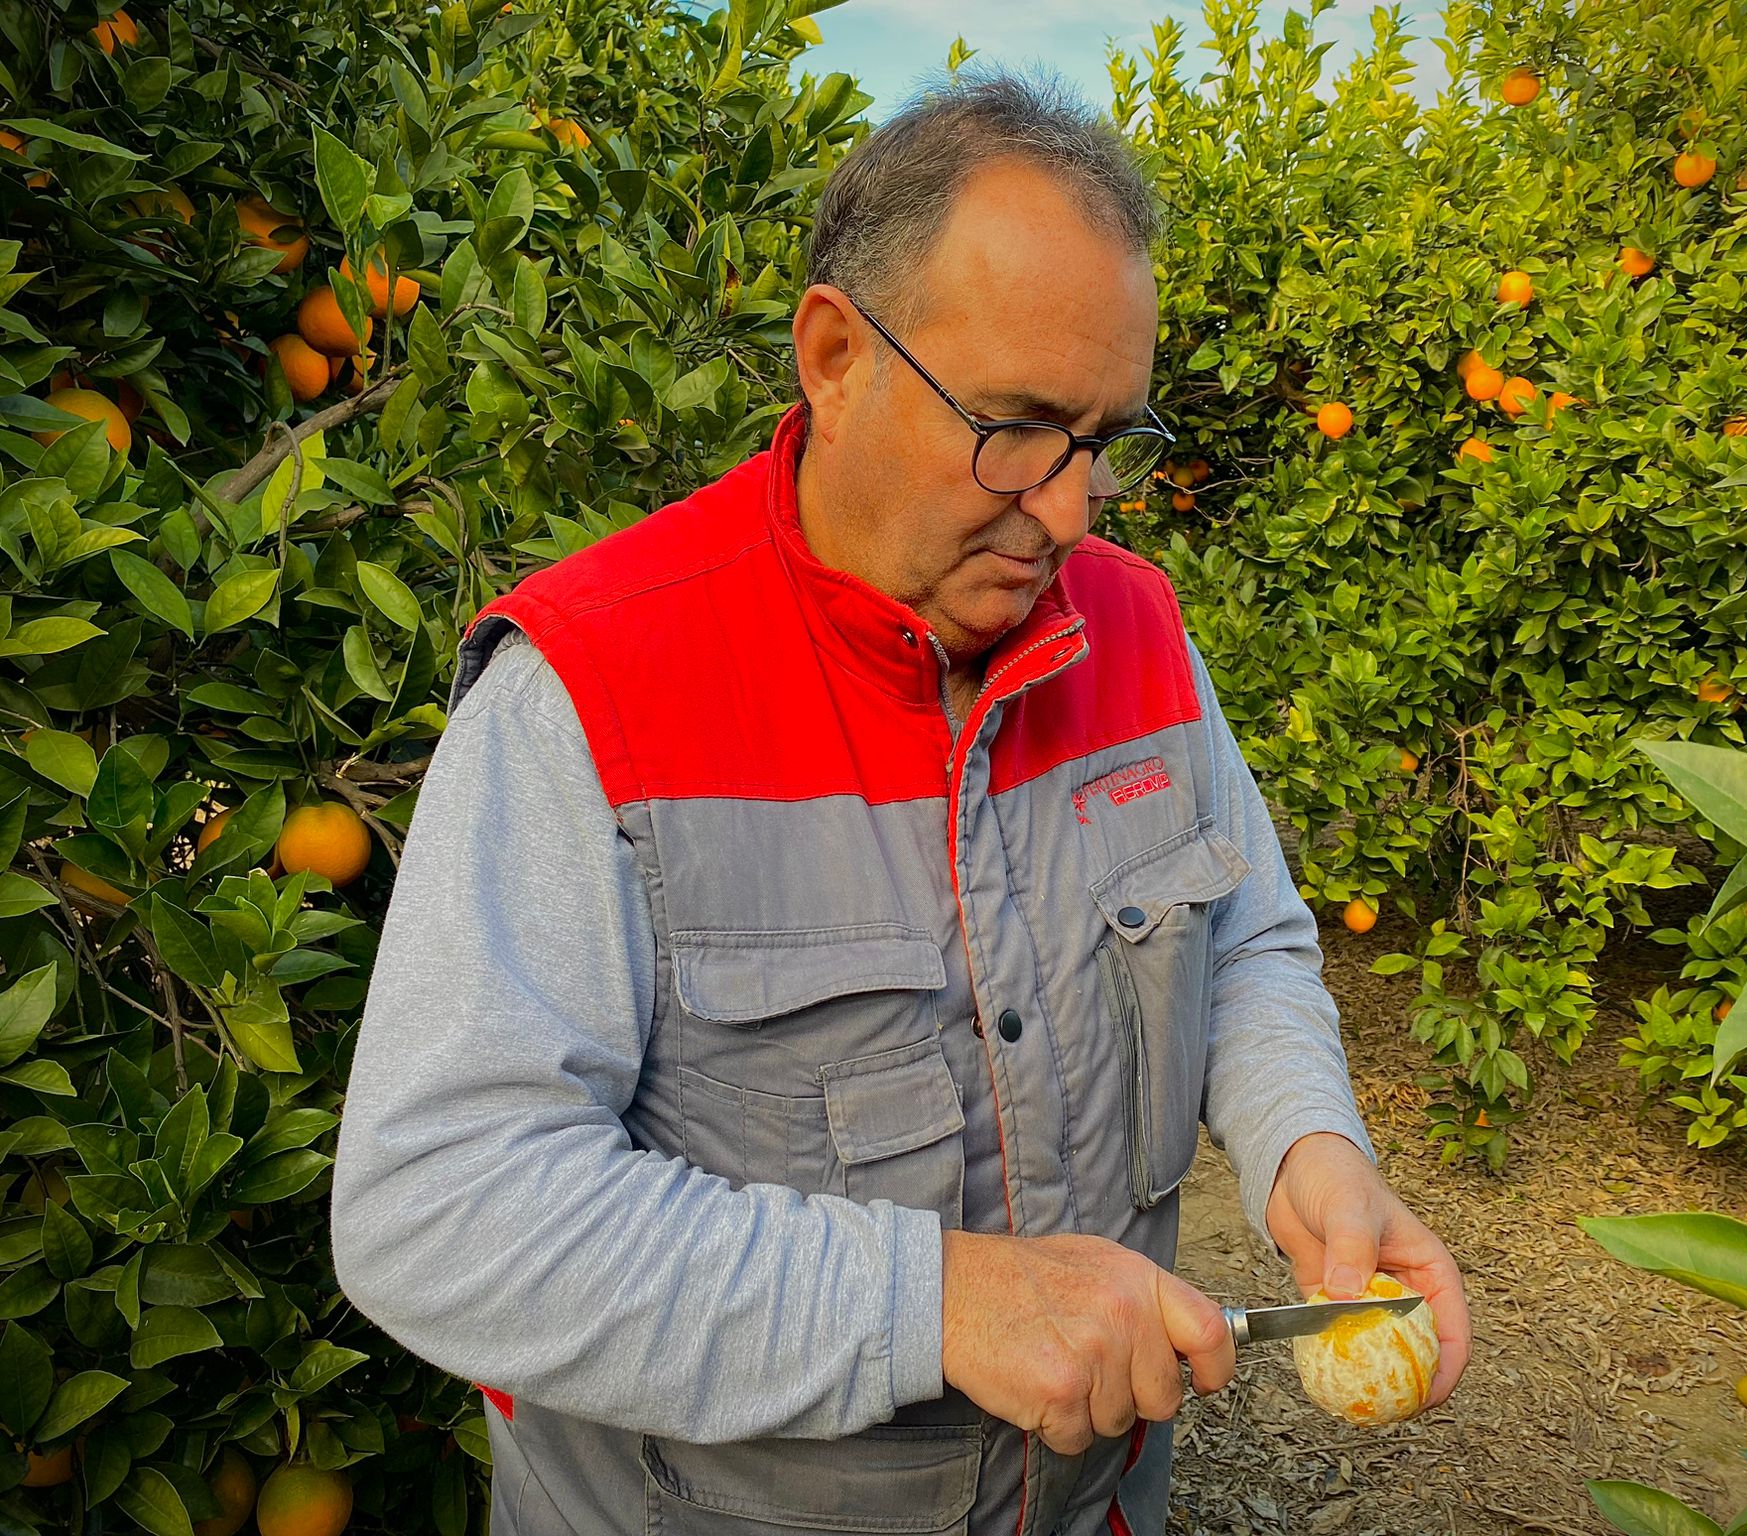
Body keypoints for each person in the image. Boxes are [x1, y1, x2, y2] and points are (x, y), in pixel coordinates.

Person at [330, 65, 1468, 1536]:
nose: (1066, 510)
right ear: (832, 354)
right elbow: (441, 1208)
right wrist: (935, 1304)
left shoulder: (1137, 629)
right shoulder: (590, 694)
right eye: (1015, 425)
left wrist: (1312, 1151)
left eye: (1110, 441)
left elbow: (1242, 934)